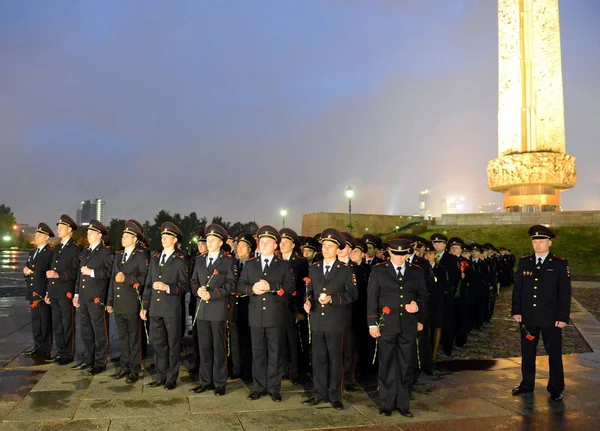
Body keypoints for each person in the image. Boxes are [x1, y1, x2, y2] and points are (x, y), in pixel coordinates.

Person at [367, 238, 428, 418]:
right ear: (389, 252)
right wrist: (372, 323)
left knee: (405, 364)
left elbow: (424, 296)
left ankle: (403, 403)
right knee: (386, 363)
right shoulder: (378, 271)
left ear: (408, 254)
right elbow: (372, 299)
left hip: (407, 325)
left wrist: (417, 307)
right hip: (387, 325)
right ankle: (386, 403)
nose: (400, 259)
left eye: (403, 255)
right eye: (396, 254)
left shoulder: (416, 272)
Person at [511, 225, 571, 402]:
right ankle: (527, 384)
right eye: (535, 241)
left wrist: (562, 316)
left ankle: (556, 388)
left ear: (549, 243)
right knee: (527, 352)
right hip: (528, 316)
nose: (538, 244)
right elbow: (518, 289)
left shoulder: (559, 263)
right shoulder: (525, 262)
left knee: (554, 353)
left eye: (541, 241)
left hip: (551, 318)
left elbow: (565, 292)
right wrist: (516, 310)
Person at [238, 225, 295, 402]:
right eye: (261, 241)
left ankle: (274, 388)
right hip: (256, 316)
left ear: (275, 245)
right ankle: (259, 387)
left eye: (268, 242)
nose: (263, 244)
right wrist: (252, 289)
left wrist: (271, 287)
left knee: (275, 353)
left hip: (275, 315)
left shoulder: (284, 266)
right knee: (258, 353)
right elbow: (240, 286)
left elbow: (290, 288)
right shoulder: (250, 264)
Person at [302, 228, 358, 410]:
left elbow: (352, 295)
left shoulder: (345, 270)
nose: (325, 249)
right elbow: (309, 292)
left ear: (337, 249)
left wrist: (333, 299)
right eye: (324, 246)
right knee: (318, 359)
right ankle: (318, 393)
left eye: (330, 246)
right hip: (317, 320)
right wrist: (308, 303)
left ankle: (335, 395)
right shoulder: (314, 268)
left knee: (335, 359)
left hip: (335, 321)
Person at [190, 224, 238, 396]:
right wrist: (198, 291)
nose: (209, 243)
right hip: (201, 309)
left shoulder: (227, 261)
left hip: (217, 309)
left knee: (218, 347)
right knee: (204, 347)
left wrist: (213, 294)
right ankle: (205, 381)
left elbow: (231, 284)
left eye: (212, 240)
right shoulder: (200, 260)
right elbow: (193, 281)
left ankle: (219, 382)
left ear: (220, 243)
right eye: (207, 240)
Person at [141, 222, 189, 390]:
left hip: (171, 309)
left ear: (175, 239)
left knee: (173, 343)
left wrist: (167, 287)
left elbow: (184, 286)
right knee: (158, 343)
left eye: (167, 237)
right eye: (162, 236)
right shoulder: (154, 259)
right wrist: (144, 306)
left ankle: (171, 377)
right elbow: (148, 284)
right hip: (155, 308)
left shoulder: (180, 259)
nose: (163, 239)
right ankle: (161, 375)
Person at [106, 220, 149, 383]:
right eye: (123, 236)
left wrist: (127, 279)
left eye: (127, 236)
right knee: (122, 338)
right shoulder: (118, 255)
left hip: (132, 302)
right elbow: (112, 280)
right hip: (118, 302)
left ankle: (134, 368)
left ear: (135, 239)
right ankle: (124, 367)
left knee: (134, 337)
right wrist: (110, 301)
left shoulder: (140, 256)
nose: (123, 238)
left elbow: (144, 278)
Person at [72, 219, 114, 375]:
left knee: (99, 331)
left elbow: (110, 273)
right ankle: (88, 359)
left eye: (91, 233)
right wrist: (76, 293)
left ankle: (100, 361)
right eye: (88, 233)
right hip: (83, 296)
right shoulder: (85, 251)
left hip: (97, 297)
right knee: (86, 331)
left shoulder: (106, 252)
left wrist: (93, 273)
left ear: (99, 235)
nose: (88, 235)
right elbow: (79, 274)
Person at [45, 214, 82, 365]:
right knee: (57, 324)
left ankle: (68, 353)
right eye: (58, 227)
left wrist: (58, 275)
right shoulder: (58, 247)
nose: (58, 230)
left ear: (69, 230)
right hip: (54, 292)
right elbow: (51, 270)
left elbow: (75, 272)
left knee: (67, 324)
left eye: (61, 227)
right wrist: (48, 291)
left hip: (66, 292)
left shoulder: (75, 248)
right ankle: (60, 351)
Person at [279, 228, 309, 384]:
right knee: (281, 340)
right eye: (281, 242)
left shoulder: (300, 262)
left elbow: (304, 287)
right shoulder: (276, 260)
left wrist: (301, 310)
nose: (282, 244)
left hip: (294, 307)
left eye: (286, 242)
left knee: (294, 340)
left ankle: (296, 371)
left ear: (293, 245)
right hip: (279, 307)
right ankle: (283, 370)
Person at [23, 223, 55, 359]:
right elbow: (28, 268)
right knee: (35, 321)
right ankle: (37, 345)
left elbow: (49, 274)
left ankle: (45, 349)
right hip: (33, 291)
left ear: (47, 237)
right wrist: (25, 271)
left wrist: (48, 292)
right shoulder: (32, 252)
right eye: (36, 235)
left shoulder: (50, 253)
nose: (36, 237)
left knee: (45, 321)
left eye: (40, 235)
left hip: (42, 292)